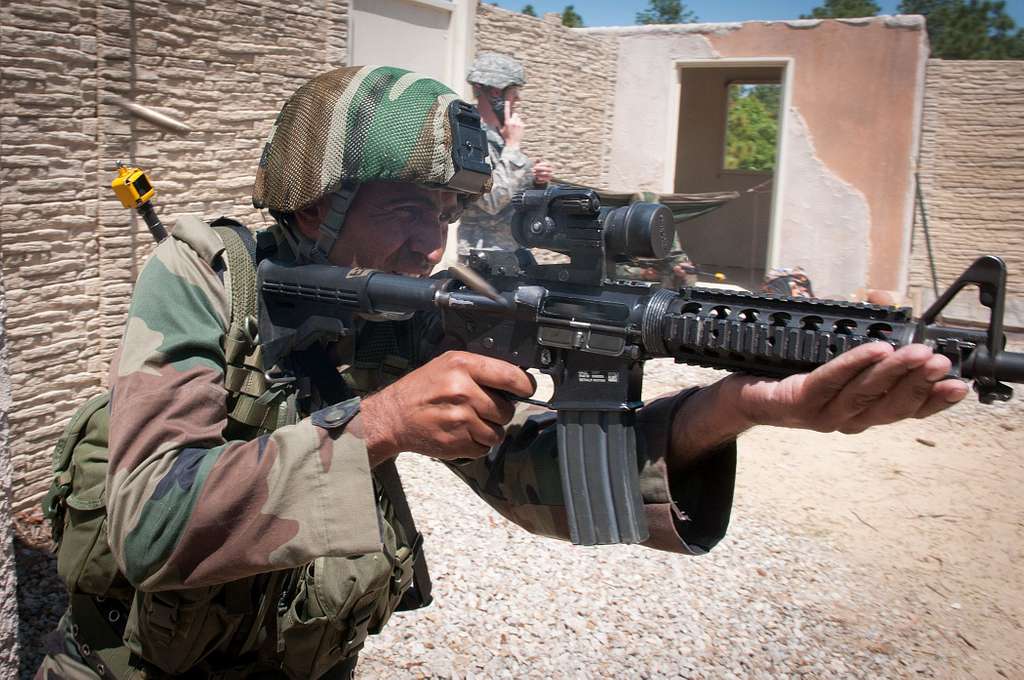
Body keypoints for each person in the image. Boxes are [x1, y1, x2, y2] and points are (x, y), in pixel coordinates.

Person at [37, 65, 968, 680]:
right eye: (405, 202)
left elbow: (540, 486)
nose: (430, 237)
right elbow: (149, 524)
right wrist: (376, 427)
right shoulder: (204, 276)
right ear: (318, 204)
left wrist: (738, 407)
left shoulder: (400, 310)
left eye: (446, 208)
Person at [457, 52, 554, 258]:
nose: (518, 98)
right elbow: (491, 200)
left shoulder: (501, 136)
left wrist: (537, 182)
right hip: (483, 255)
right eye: (514, 91)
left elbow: (514, 197)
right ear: (495, 93)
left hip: (513, 251)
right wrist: (513, 147)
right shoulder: (466, 135)